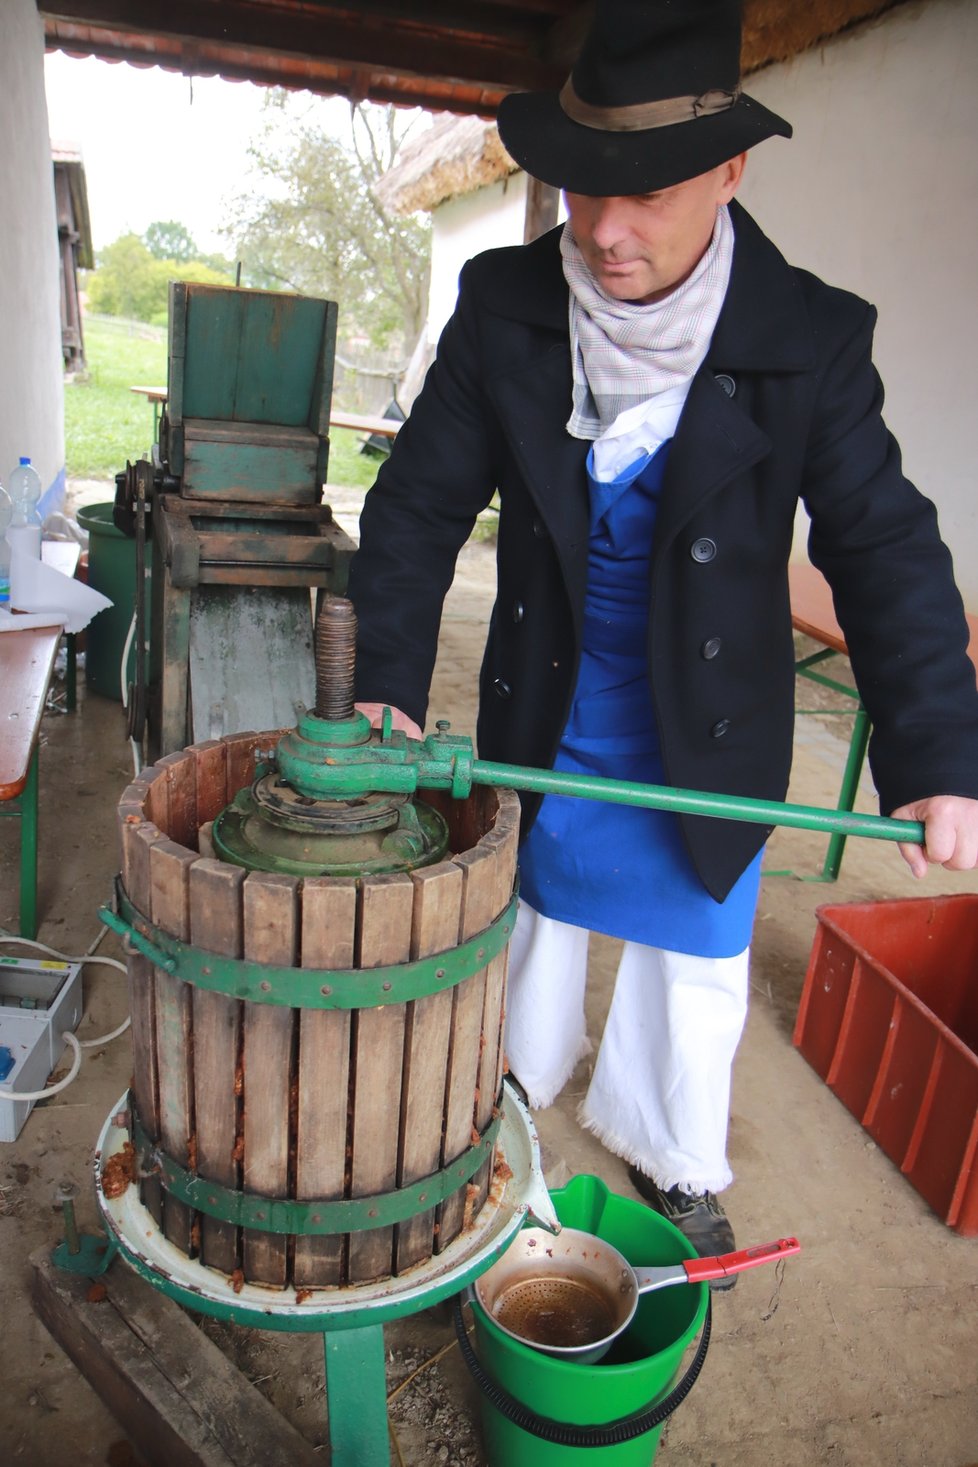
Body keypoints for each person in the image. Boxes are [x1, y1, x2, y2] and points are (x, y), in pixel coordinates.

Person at [347, 0, 978, 1277]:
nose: (606, 229)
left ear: (732, 171)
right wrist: (389, 687)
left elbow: (885, 546)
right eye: (581, 189)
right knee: (533, 932)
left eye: (647, 193)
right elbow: (416, 503)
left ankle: (674, 1151)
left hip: (712, 717)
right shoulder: (506, 305)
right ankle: (507, 1110)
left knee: (694, 964)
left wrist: (939, 750)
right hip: (553, 698)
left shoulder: (809, 340)